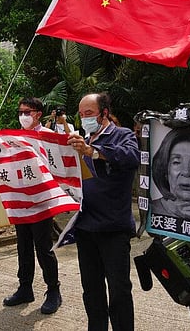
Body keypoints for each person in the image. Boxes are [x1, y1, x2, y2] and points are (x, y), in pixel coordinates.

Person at [67, 93, 139, 330]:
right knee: (91, 289)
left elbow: (132, 157)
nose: (84, 118)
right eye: (81, 114)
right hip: (85, 226)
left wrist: (93, 151)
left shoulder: (122, 135)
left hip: (113, 227)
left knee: (119, 289)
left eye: (89, 113)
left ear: (104, 112)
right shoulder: (81, 140)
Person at [2, 97, 62, 315]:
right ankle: (25, 287)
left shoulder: (48, 136)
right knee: (23, 246)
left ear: (38, 114)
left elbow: (57, 165)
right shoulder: (13, 137)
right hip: (20, 200)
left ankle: (53, 290)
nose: (23, 116)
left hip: (42, 201)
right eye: (20, 112)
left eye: (27, 112)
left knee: (43, 247)